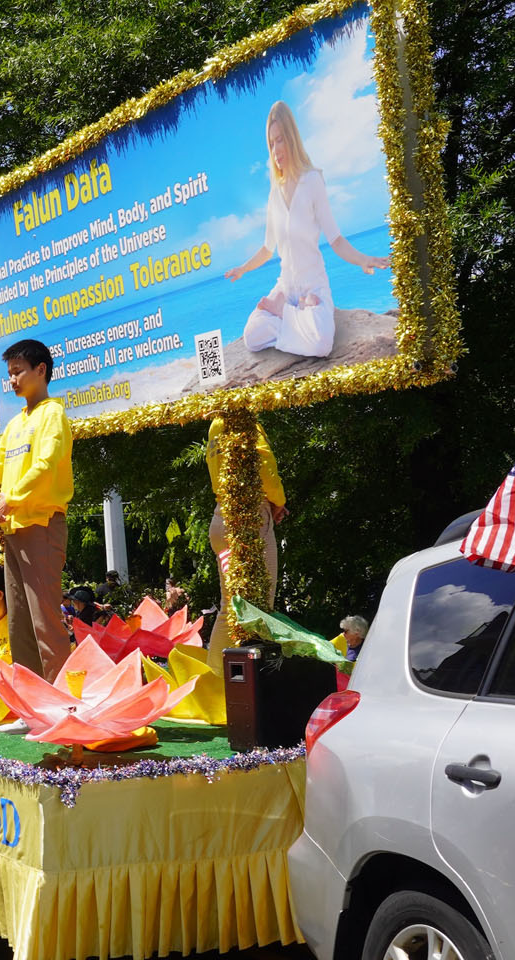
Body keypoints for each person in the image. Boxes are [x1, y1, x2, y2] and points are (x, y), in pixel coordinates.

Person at [222, 101, 391, 358]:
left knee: (322, 344)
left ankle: (286, 313)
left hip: (313, 287)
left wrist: (363, 259)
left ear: (292, 138)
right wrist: (243, 269)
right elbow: (267, 249)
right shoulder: (274, 194)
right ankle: (294, 314)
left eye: (280, 140)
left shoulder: (312, 180)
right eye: (271, 143)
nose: (276, 149)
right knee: (252, 336)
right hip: (286, 288)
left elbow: (335, 239)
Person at [0, 337, 73, 679]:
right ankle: (30, 697)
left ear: (41, 370)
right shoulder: (15, 424)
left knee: (44, 619)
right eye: (9, 374)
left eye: (18, 372)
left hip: (41, 524)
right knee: (18, 620)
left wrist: (11, 496)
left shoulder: (53, 414)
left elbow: (47, 463)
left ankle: (61, 699)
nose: (12, 380)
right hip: (12, 530)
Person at [204, 414, 288, 664]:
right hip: (249, 518)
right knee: (258, 607)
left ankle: (215, 677)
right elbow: (264, 462)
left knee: (230, 608)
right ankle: (245, 681)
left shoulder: (216, 424)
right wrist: (278, 501)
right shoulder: (243, 420)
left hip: (222, 517)